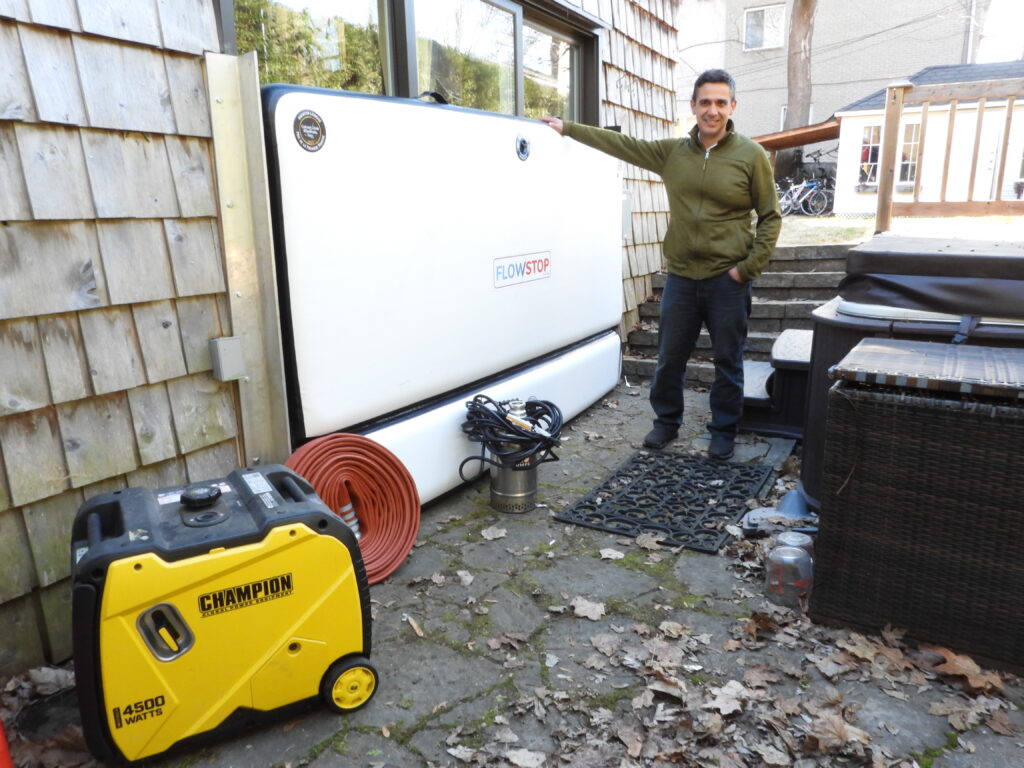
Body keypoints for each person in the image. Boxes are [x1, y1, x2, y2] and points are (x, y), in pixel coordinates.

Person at [540, 69, 781, 460]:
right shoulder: (673, 153)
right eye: (705, 102)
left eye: (721, 102)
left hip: (728, 279)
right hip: (683, 278)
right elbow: (621, 144)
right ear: (693, 107)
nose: (712, 110)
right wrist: (567, 128)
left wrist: (748, 267)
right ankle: (666, 423)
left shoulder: (750, 155)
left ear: (732, 107)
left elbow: (771, 215)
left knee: (727, 360)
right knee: (670, 359)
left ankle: (723, 429)